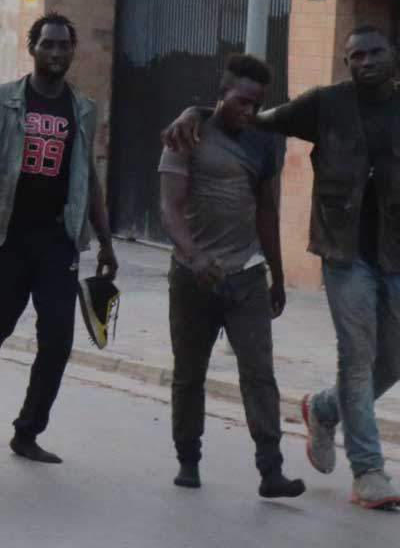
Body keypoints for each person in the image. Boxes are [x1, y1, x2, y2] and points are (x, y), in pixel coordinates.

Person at [163, 25, 400, 510]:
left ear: (393, 55)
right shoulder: (325, 105)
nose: (366, 62)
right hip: (342, 255)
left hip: (389, 255)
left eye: (375, 53)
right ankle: (364, 471)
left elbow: (251, 131)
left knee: (385, 362)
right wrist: (197, 112)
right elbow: (249, 120)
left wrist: (273, 269)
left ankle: (324, 409)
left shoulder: (395, 108)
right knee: (354, 357)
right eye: (356, 55)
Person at [0, 12, 119, 464]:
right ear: (33, 48)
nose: (57, 53)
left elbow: (90, 178)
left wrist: (104, 239)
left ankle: (28, 430)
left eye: (64, 46)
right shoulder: (2, 101)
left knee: (58, 339)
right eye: (49, 45)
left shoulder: (82, 109)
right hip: (4, 238)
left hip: (57, 241)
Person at [158, 54, 305, 499]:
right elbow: (170, 208)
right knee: (189, 374)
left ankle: (271, 470)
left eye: (256, 104)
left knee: (259, 374)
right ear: (222, 94)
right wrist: (194, 256)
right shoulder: (187, 133)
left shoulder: (263, 142)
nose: (249, 112)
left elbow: (266, 212)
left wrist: (277, 276)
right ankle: (188, 459)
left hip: (245, 276)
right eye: (242, 101)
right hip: (192, 277)